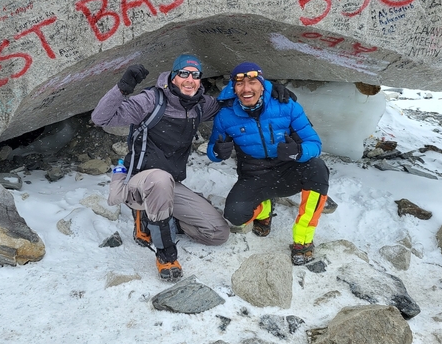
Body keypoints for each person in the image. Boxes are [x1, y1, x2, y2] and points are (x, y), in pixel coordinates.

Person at [92, 55, 293, 281]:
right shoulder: (151, 101)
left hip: (169, 185)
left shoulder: (200, 105)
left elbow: (233, 101)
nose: (190, 79)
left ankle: (159, 219)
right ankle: (165, 255)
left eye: (195, 75)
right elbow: (101, 118)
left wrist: (268, 87)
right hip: (138, 182)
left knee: (217, 234)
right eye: (183, 73)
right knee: (158, 179)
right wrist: (123, 88)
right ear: (173, 77)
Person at [207, 61, 330, 265]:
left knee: (317, 168)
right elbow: (213, 150)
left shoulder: (286, 104)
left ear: (262, 84)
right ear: (233, 88)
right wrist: (217, 152)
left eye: (253, 82)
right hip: (254, 175)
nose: (246, 89)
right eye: (240, 84)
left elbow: (315, 143)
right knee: (235, 215)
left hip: (288, 170)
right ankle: (264, 210)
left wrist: (298, 151)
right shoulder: (225, 115)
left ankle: (303, 239)